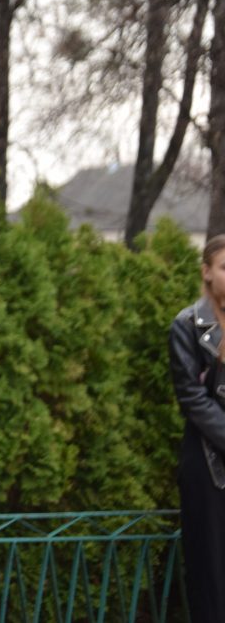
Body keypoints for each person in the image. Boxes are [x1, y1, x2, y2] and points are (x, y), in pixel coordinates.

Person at [170, 234, 225, 622]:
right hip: (208, 466)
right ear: (206, 272)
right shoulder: (187, 325)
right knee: (212, 572)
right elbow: (191, 398)